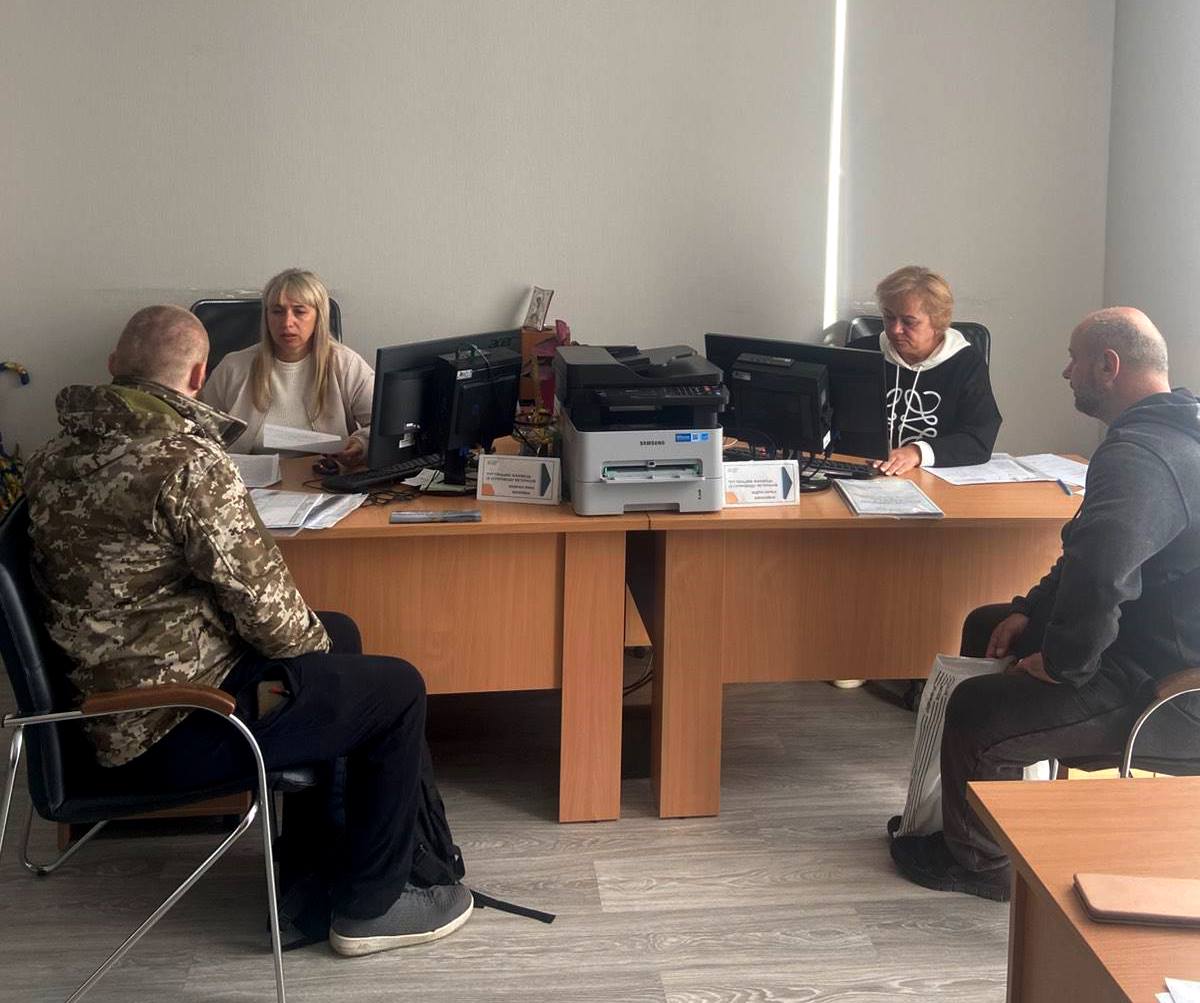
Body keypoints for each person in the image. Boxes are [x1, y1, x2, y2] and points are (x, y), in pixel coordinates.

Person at [22, 305, 471, 953]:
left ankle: (307, 889)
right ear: (197, 376)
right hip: (180, 722)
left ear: (114, 365)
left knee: (339, 637)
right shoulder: (185, 463)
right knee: (394, 688)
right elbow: (274, 619)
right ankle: (372, 906)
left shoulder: (51, 456)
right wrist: (320, 673)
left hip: (106, 708)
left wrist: (322, 666)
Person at [889, 307, 1200, 900]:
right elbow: (1086, 552)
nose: (1065, 371)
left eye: (1074, 359)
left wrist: (1063, 665)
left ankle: (985, 867)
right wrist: (1029, 609)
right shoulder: (1169, 432)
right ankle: (976, 820)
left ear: (1108, 366)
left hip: (1171, 686)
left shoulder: (1142, 456)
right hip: (1146, 642)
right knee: (988, 625)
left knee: (978, 711)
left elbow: (1103, 577)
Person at [200, 268, 374, 466]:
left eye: (299, 311)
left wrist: (361, 443)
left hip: (324, 477)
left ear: (319, 317)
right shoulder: (232, 368)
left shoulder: (346, 364)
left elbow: (383, 426)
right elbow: (199, 433)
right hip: (248, 481)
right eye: (277, 311)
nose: (287, 322)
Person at [853, 266, 1002, 476]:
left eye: (909, 322)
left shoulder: (966, 364)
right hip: (862, 472)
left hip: (932, 479)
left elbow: (979, 439)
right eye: (889, 317)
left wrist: (917, 452)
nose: (895, 329)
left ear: (938, 322)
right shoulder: (860, 353)